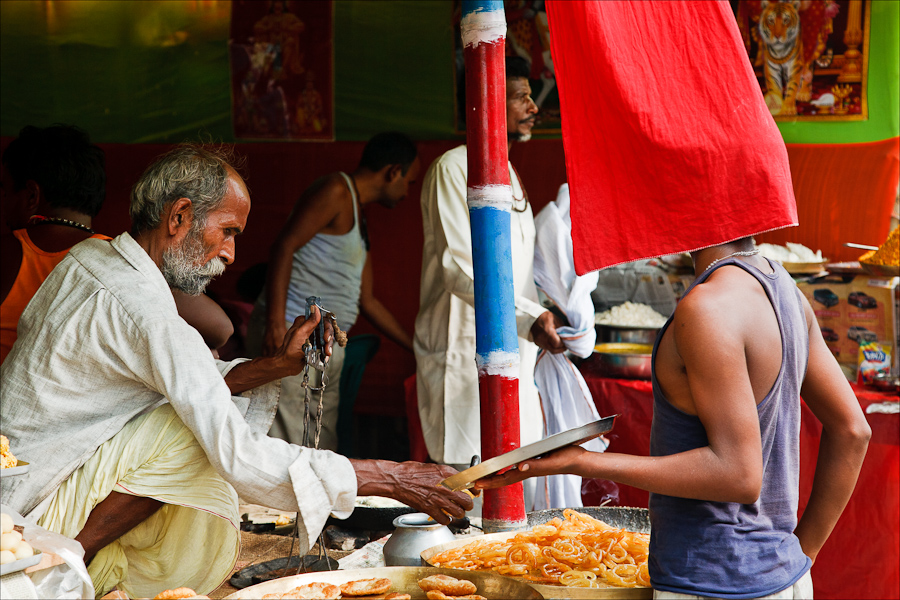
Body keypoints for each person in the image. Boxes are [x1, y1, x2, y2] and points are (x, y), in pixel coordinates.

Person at [0, 144, 472, 598]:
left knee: (193, 414)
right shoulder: (140, 307)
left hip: (28, 488)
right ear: (179, 216)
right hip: (33, 512)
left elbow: (188, 380)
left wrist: (273, 367)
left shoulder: (93, 259)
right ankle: (69, 558)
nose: (229, 253)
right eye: (227, 232)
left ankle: (82, 555)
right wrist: (388, 477)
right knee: (198, 430)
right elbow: (235, 452)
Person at [477, 238, 871, 598]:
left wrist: (582, 461)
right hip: (784, 576)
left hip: (710, 582)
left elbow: (739, 475)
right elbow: (853, 431)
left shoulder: (705, 308)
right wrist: (802, 552)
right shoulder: (785, 289)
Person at [414, 56, 565, 481]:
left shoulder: (510, 173)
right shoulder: (453, 167)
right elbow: (458, 270)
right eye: (521, 98)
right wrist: (530, 318)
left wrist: (548, 316)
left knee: (516, 475)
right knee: (469, 486)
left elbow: (518, 273)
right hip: (461, 350)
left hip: (517, 351)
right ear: (488, 103)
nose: (533, 107)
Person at [0, 125, 233, 364]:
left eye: (5, 192)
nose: (4, 203)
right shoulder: (123, 260)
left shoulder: (9, 253)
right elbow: (221, 328)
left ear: (31, 195)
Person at [247, 132, 419, 451]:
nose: (408, 192)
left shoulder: (359, 217)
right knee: (285, 446)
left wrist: (416, 347)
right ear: (394, 171)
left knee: (319, 444)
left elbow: (366, 300)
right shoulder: (336, 191)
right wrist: (274, 325)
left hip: (325, 347)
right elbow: (284, 246)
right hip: (291, 334)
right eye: (410, 181)